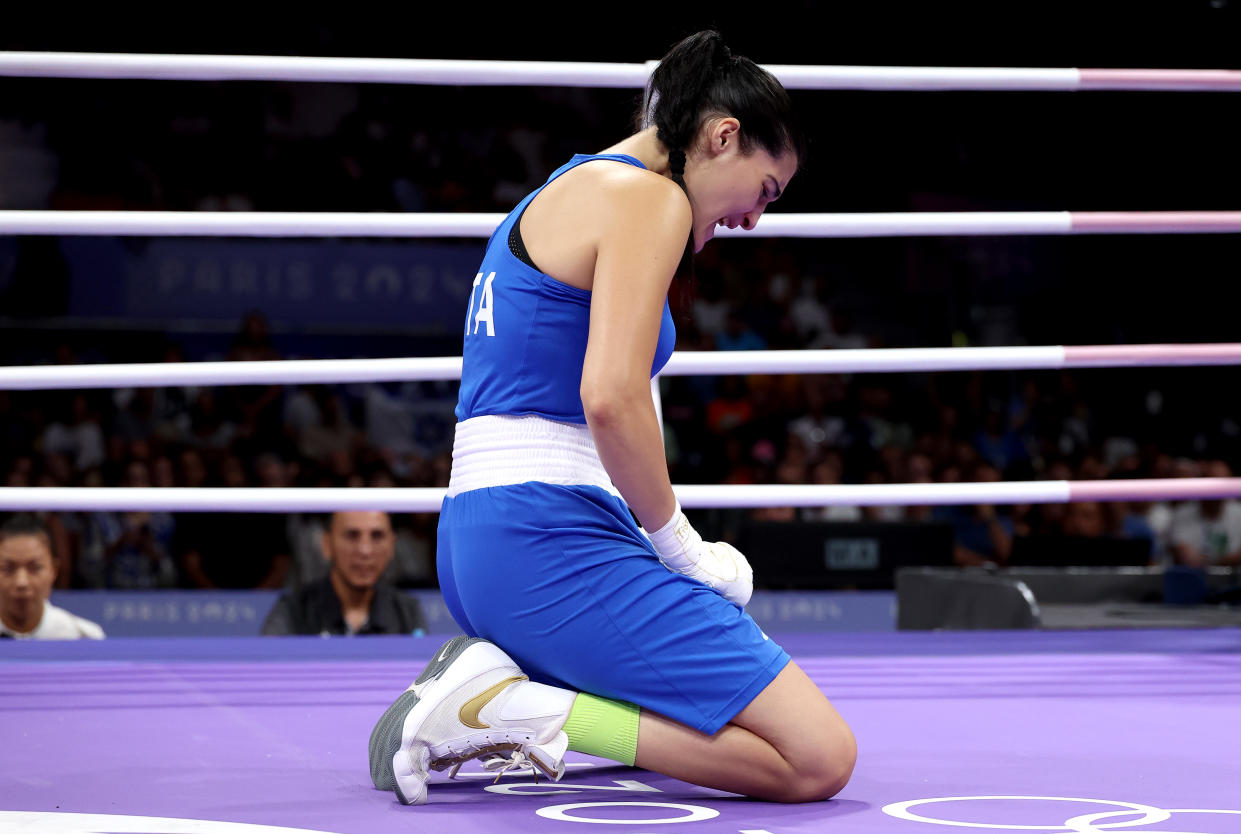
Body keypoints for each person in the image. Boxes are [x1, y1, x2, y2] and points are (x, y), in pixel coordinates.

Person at [368, 31, 855, 806]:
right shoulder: (648, 196)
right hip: (543, 542)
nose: (754, 220)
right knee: (816, 759)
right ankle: (506, 708)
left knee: (695, 733)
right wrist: (680, 548)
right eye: (763, 190)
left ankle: (507, 694)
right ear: (722, 136)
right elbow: (610, 396)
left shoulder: (571, 185)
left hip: (487, 543)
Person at [262, 511, 426, 636]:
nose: (365, 550)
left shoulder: (406, 611)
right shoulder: (293, 610)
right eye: (351, 536)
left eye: (377, 536)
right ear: (327, 544)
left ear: (391, 545)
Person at [0, 513, 104, 639]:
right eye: (7, 568)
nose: (22, 582)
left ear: (53, 570)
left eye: (35, 568)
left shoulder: (84, 638)